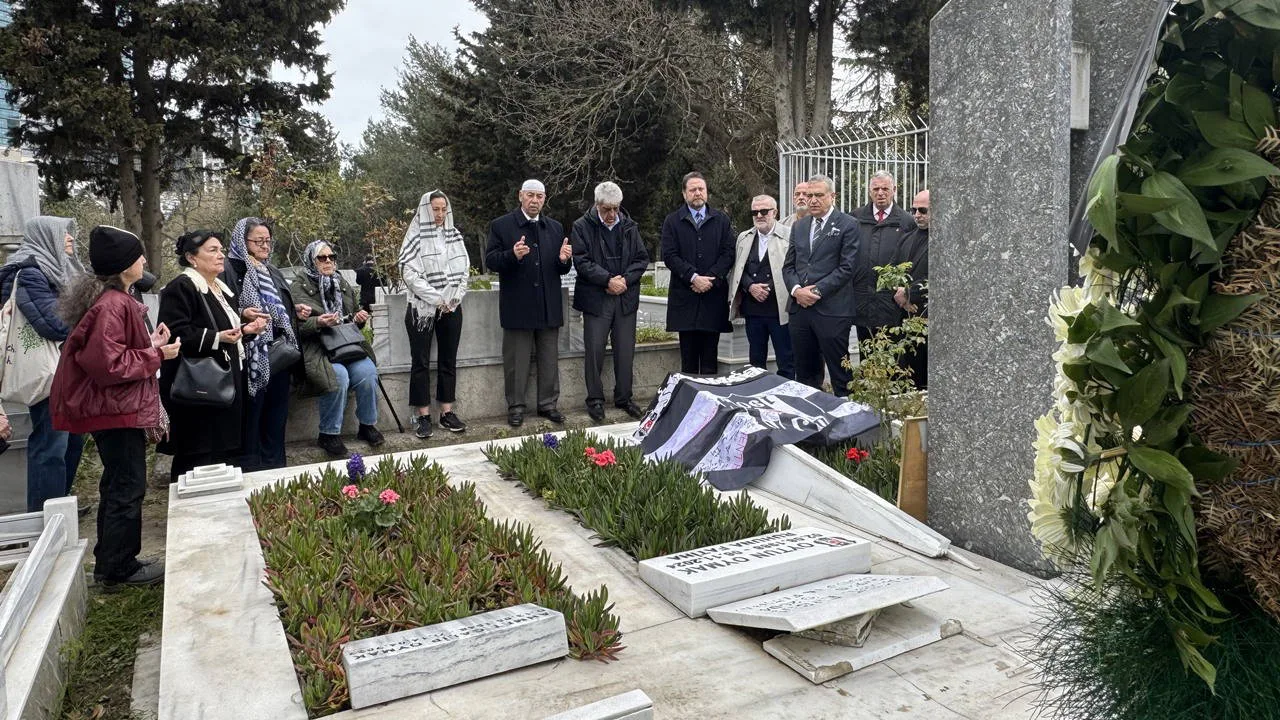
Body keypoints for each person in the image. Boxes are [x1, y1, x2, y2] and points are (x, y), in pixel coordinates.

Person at [53, 225, 180, 587]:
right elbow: (108, 365)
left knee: (117, 484)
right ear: (124, 264)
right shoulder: (112, 305)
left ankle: (111, 562)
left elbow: (112, 353)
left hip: (113, 409)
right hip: (115, 410)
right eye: (137, 255)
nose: (143, 260)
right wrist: (156, 353)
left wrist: (149, 343)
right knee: (127, 485)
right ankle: (120, 568)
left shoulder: (112, 300)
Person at [158, 230, 266, 482]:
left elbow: (225, 330)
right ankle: (188, 514)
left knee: (220, 454)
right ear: (191, 257)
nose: (221, 255)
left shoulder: (220, 288)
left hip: (222, 385)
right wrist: (218, 338)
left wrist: (246, 329)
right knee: (196, 457)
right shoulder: (181, 287)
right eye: (213, 250)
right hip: (198, 390)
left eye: (221, 249)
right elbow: (176, 333)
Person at [0, 216, 86, 511]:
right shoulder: (28, 272)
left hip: (66, 367)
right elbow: (53, 323)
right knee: (51, 444)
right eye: (63, 234)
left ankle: (59, 506)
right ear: (45, 237)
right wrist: (86, 323)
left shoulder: (59, 269)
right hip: (47, 371)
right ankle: (44, 517)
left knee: (71, 441)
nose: (70, 239)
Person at [484, 179, 572, 427]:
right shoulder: (501, 225)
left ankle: (548, 405)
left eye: (540, 196)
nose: (535, 200)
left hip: (548, 305)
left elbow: (559, 269)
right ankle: (516, 406)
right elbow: (491, 261)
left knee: (549, 359)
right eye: (530, 195)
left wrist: (564, 260)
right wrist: (512, 255)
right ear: (520, 196)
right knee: (516, 362)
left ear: (545, 199)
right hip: (518, 305)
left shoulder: (554, 227)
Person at [221, 217, 302, 471]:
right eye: (258, 241)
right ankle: (251, 470)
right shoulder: (229, 270)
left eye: (267, 241)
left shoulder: (271, 270)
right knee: (252, 417)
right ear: (241, 241)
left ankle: (276, 467)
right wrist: (244, 313)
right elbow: (223, 307)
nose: (265, 246)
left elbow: (279, 305)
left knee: (276, 416)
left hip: (279, 352)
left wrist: (292, 310)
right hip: (250, 354)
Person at [292, 240, 383, 456]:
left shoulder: (340, 281)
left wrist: (359, 319)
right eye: (321, 258)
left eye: (331, 257)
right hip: (318, 347)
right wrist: (319, 323)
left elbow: (351, 316)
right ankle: (329, 434)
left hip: (345, 345)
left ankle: (367, 426)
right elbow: (294, 326)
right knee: (338, 377)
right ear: (311, 260)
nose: (328, 262)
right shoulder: (298, 286)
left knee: (368, 373)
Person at [570, 181, 649, 422]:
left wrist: (624, 280)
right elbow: (581, 261)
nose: (612, 214)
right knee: (594, 351)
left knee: (625, 351)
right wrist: (607, 281)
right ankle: (594, 399)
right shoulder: (582, 226)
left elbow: (641, 258)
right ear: (597, 205)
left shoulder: (629, 226)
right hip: (597, 299)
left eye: (616, 208)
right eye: (607, 209)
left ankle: (624, 397)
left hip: (624, 297)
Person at [399, 190, 470, 439]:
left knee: (448, 360)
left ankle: (447, 413)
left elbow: (464, 271)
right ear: (426, 210)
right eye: (435, 209)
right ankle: (422, 416)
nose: (439, 214)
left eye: (443, 209)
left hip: (451, 307)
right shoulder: (416, 237)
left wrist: (453, 298)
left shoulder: (454, 235)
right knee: (420, 362)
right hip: (423, 308)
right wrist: (437, 299)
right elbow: (410, 275)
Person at [783, 174, 860, 394]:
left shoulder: (848, 224)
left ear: (832, 196)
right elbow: (789, 267)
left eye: (819, 195)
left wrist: (815, 291)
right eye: (809, 195)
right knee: (804, 373)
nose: (813, 200)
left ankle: (846, 418)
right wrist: (797, 291)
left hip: (832, 311)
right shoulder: (800, 226)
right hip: (800, 310)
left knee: (839, 373)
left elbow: (847, 268)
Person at [660, 171, 735, 375]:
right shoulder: (673, 221)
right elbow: (669, 255)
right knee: (689, 362)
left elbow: (728, 253)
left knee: (711, 361)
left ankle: (710, 405)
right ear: (684, 194)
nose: (698, 193)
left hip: (713, 298)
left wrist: (710, 278)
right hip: (686, 298)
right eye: (692, 190)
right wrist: (693, 277)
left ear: (707, 192)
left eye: (701, 189)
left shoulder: (721, 220)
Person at [728, 195, 794, 379]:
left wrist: (767, 289)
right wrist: (750, 287)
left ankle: (786, 398)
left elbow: (793, 267)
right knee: (756, 361)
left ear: (775, 212)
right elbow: (737, 269)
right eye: (754, 212)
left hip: (780, 310)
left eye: (764, 211)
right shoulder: (744, 237)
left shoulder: (789, 235)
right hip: (753, 310)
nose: (759, 215)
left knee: (786, 359)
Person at [852, 170, 917, 343]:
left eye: (885, 189)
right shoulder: (855, 218)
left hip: (892, 303)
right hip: (862, 301)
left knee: (893, 358)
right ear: (869, 191)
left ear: (894, 189)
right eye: (876, 189)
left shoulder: (907, 221)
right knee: (865, 352)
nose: (880, 193)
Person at [896, 189, 930, 389]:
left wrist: (909, 292)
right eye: (914, 209)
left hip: (928, 313)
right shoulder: (907, 238)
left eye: (923, 210)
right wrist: (900, 293)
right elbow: (892, 270)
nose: (917, 214)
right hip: (905, 316)